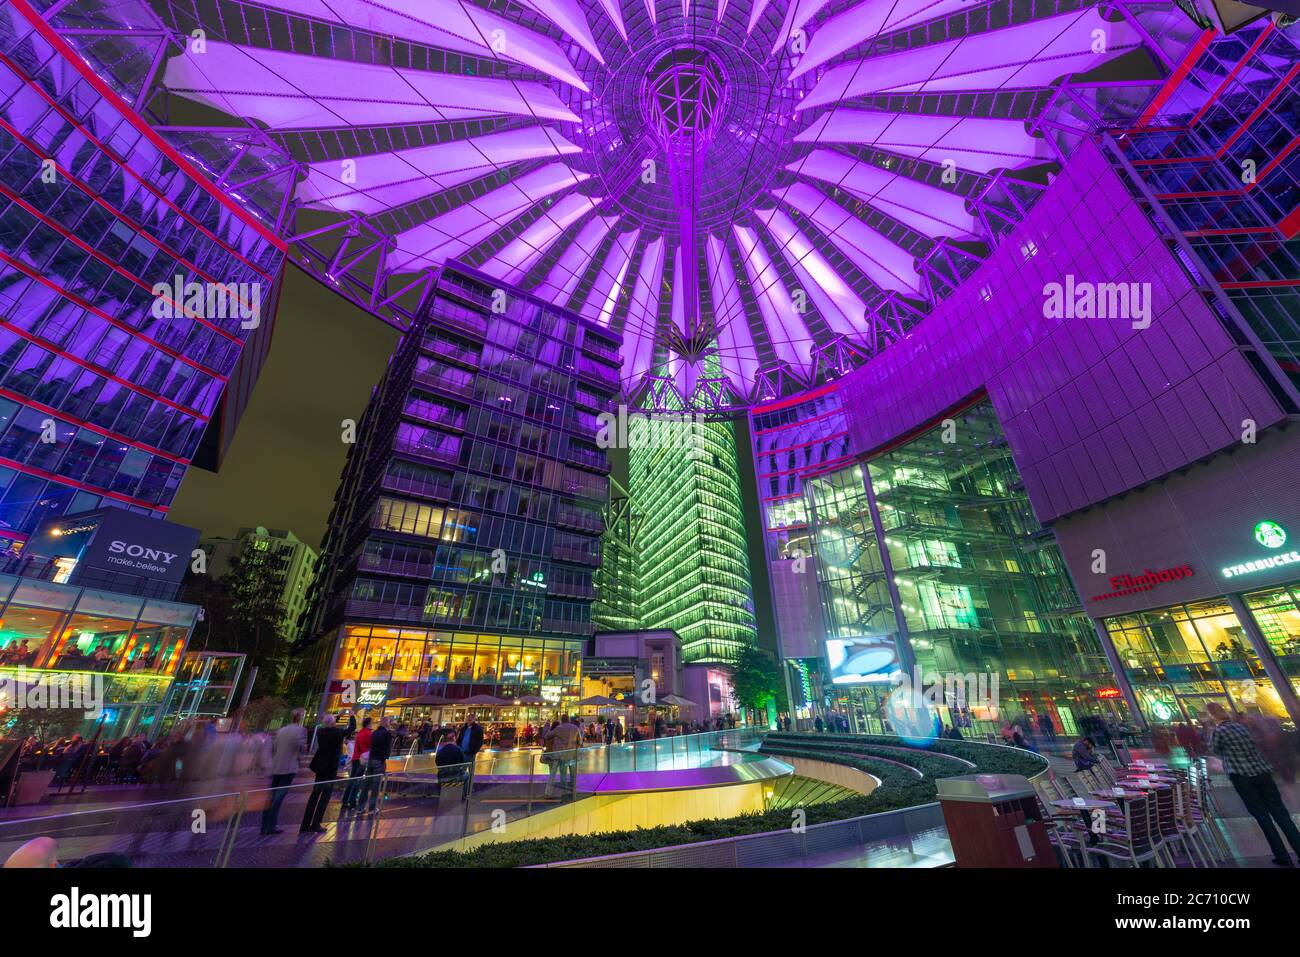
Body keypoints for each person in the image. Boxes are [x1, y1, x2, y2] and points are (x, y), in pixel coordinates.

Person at [1206, 702, 1300, 867]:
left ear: (1211, 716)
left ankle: (1282, 855)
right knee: (1281, 813)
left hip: (1242, 777)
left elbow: (1214, 749)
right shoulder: (1241, 727)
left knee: (1262, 816)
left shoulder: (1219, 731)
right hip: (1262, 772)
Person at [300, 712, 354, 835]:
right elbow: (351, 728)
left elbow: (328, 725)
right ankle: (315, 824)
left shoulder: (320, 732)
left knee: (314, 795)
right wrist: (351, 716)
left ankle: (305, 823)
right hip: (330, 768)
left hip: (320, 766)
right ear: (333, 724)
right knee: (325, 796)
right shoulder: (336, 733)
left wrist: (337, 717)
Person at [261, 709, 307, 835]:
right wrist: (300, 756)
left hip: (276, 766)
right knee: (278, 797)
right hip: (289, 767)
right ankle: (271, 825)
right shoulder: (301, 730)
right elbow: (301, 748)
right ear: (300, 719)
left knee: (271, 795)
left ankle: (264, 824)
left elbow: (274, 748)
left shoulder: (281, 730)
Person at [340, 716, 373, 812]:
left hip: (356, 758)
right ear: (368, 724)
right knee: (357, 781)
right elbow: (370, 746)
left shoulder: (360, 733)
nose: (372, 724)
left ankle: (345, 800)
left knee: (352, 780)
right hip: (361, 759)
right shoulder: (368, 734)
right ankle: (352, 801)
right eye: (371, 722)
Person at [544, 713, 581, 797]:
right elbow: (580, 741)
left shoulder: (558, 728)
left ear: (561, 720)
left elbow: (547, 736)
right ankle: (573, 788)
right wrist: (575, 748)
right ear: (568, 719)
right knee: (572, 772)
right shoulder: (575, 728)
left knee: (563, 771)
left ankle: (564, 790)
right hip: (572, 754)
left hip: (561, 754)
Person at [362, 715, 393, 812]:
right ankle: (372, 808)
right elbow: (387, 748)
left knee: (366, 785)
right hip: (379, 761)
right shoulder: (387, 734)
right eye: (389, 722)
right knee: (376, 786)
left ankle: (361, 807)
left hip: (371, 760)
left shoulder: (374, 733)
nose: (390, 723)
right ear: (386, 723)